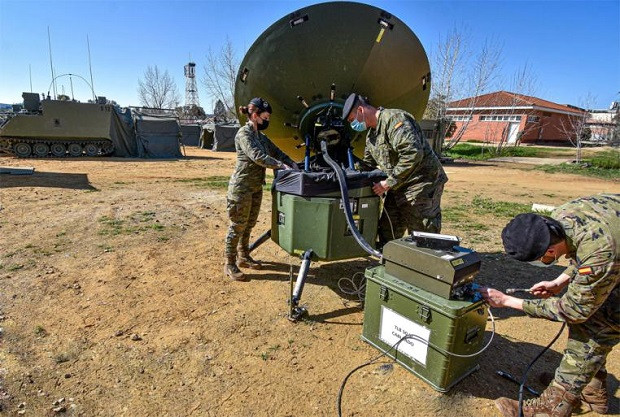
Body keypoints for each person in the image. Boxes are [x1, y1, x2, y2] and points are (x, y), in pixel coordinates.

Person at [480, 193, 619, 417]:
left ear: (550, 251)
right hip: (611, 255)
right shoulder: (562, 217)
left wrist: (508, 301)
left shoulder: (601, 251)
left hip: (611, 257)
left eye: (542, 259)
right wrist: (559, 281)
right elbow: (583, 253)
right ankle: (591, 391)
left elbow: (574, 310)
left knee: (597, 326)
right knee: (595, 315)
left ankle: (554, 407)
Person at [341, 93, 447, 245]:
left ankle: (424, 264)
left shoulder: (395, 120)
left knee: (422, 232)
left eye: (352, 120)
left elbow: (412, 154)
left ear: (360, 111)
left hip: (421, 183)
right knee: (388, 230)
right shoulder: (371, 136)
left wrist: (388, 183)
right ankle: (390, 263)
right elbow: (367, 165)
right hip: (398, 185)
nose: (353, 124)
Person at [224, 97, 298, 281]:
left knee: (249, 224)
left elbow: (277, 152)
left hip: (255, 187)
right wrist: (281, 166)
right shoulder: (244, 134)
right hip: (241, 188)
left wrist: (293, 163)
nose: (267, 121)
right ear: (255, 115)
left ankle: (243, 256)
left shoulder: (261, 137)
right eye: (265, 118)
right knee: (237, 225)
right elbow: (257, 156)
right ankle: (230, 263)